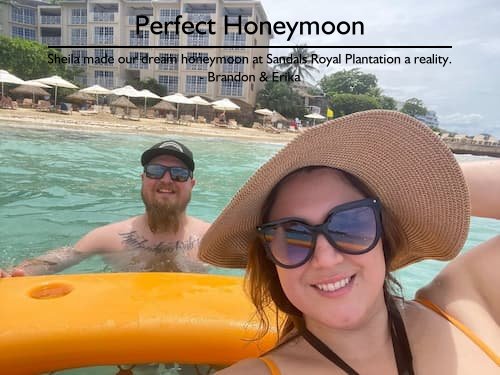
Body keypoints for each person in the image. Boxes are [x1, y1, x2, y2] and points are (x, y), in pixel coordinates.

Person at [198, 110, 499, 374]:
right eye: (294, 236)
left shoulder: (466, 301)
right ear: (270, 260)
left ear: (383, 230)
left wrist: (420, 183)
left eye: (350, 224)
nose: (326, 258)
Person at [1, 140, 211, 277]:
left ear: (191, 184)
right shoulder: (108, 237)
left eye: (179, 174)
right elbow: (60, 259)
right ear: (143, 179)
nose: (166, 180)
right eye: (155, 171)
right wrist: (18, 273)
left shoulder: (214, 237)